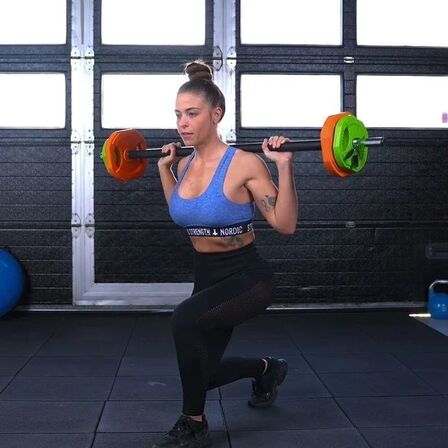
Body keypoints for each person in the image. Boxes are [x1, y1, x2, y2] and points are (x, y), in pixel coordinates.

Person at [153, 60, 298, 448]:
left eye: (192, 114)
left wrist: (284, 168)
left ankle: (194, 423)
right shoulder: (184, 165)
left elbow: (285, 224)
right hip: (207, 275)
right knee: (201, 373)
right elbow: (180, 212)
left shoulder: (244, 164)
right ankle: (267, 369)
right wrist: (165, 169)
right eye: (178, 115)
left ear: (215, 114)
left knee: (184, 319)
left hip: (247, 278)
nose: (182, 123)